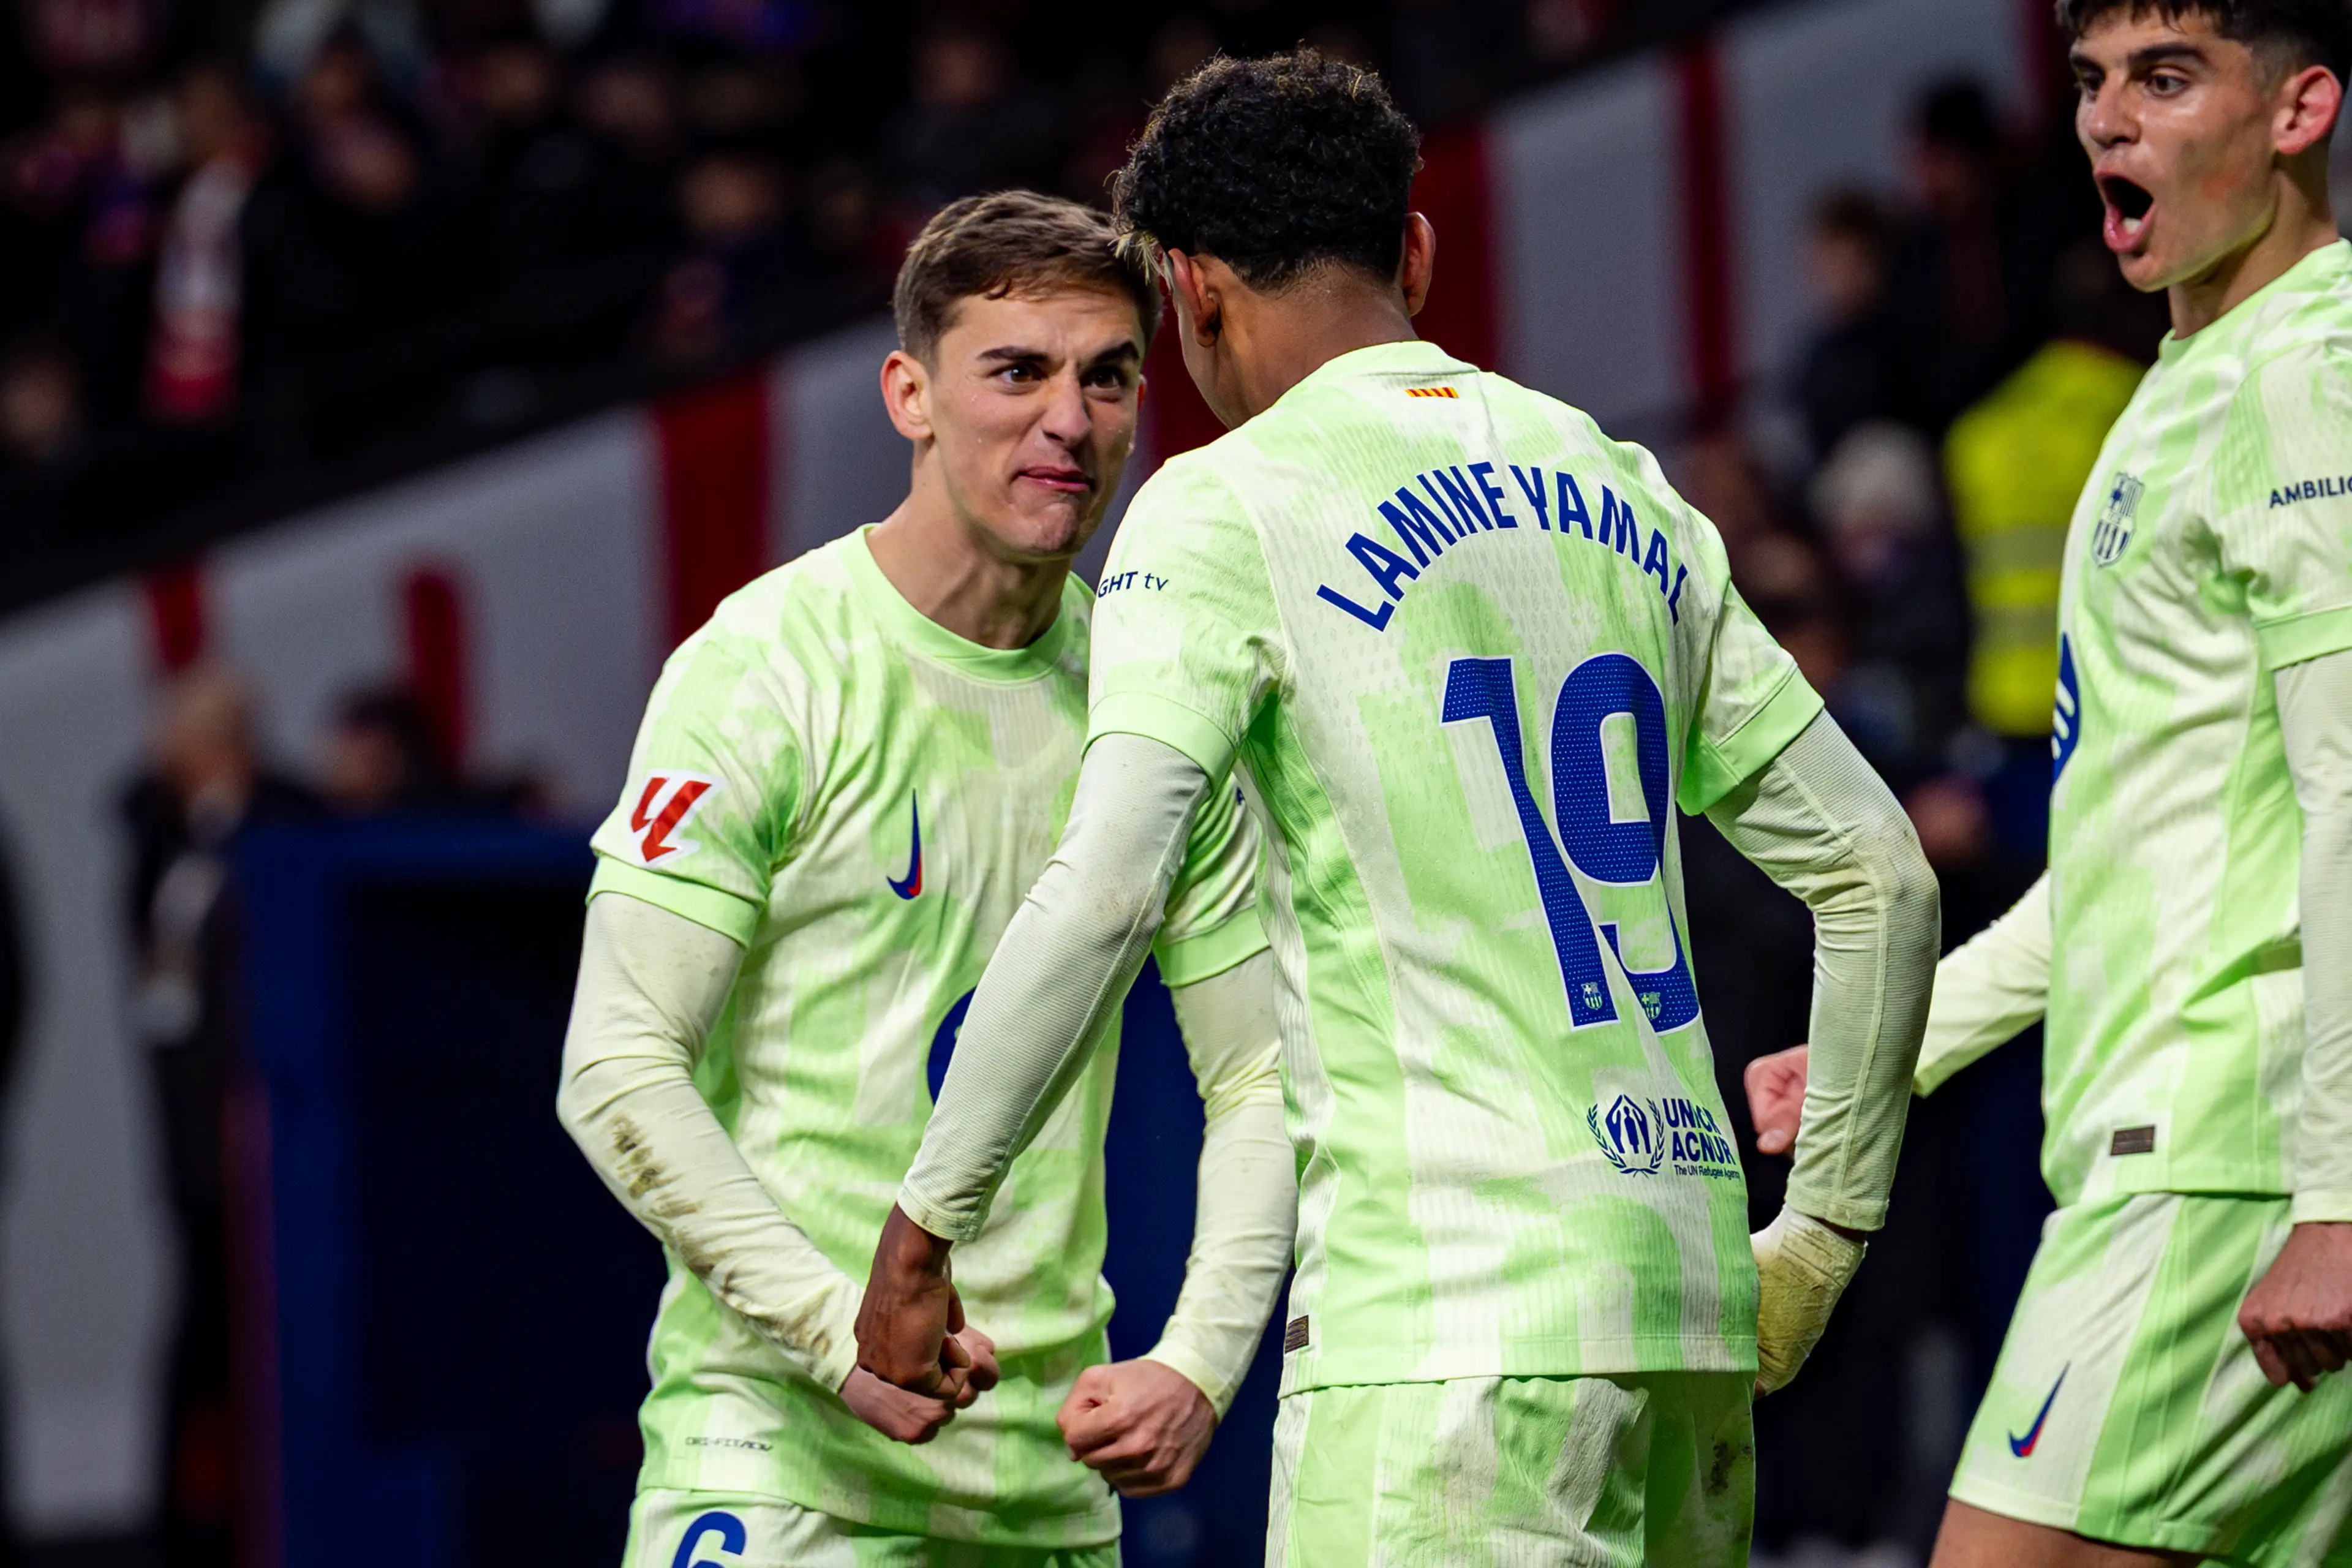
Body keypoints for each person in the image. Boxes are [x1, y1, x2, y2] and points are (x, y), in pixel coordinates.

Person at [855, 52, 1940, 1565]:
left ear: (1194, 290)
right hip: (1689, 1323)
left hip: (1449, 1343)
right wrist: (1814, 1239)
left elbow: (1104, 893)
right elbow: (1884, 878)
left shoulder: (1227, 503)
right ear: (1414, 252)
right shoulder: (1625, 483)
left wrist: (926, 1226)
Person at [557, 189, 1295, 1567]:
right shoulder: (769, 662)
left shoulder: (1158, 704)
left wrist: (1198, 1354)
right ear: (910, 392)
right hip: (781, 1467)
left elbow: (1260, 1075)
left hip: (1044, 1502)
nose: (1068, 420)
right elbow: (615, 1062)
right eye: (1016, 370)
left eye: (1108, 375)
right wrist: (837, 1330)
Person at [1746, 3, 2352, 1563]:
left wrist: (2340, 1196)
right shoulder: (2185, 381)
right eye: (2090, 83)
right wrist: (1888, 1048)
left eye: (2166, 80)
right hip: (2213, 1156)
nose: (2107, 123)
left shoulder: (2308, 378)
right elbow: (2135, 852)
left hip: (2227, 1169)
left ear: (2301, 113)